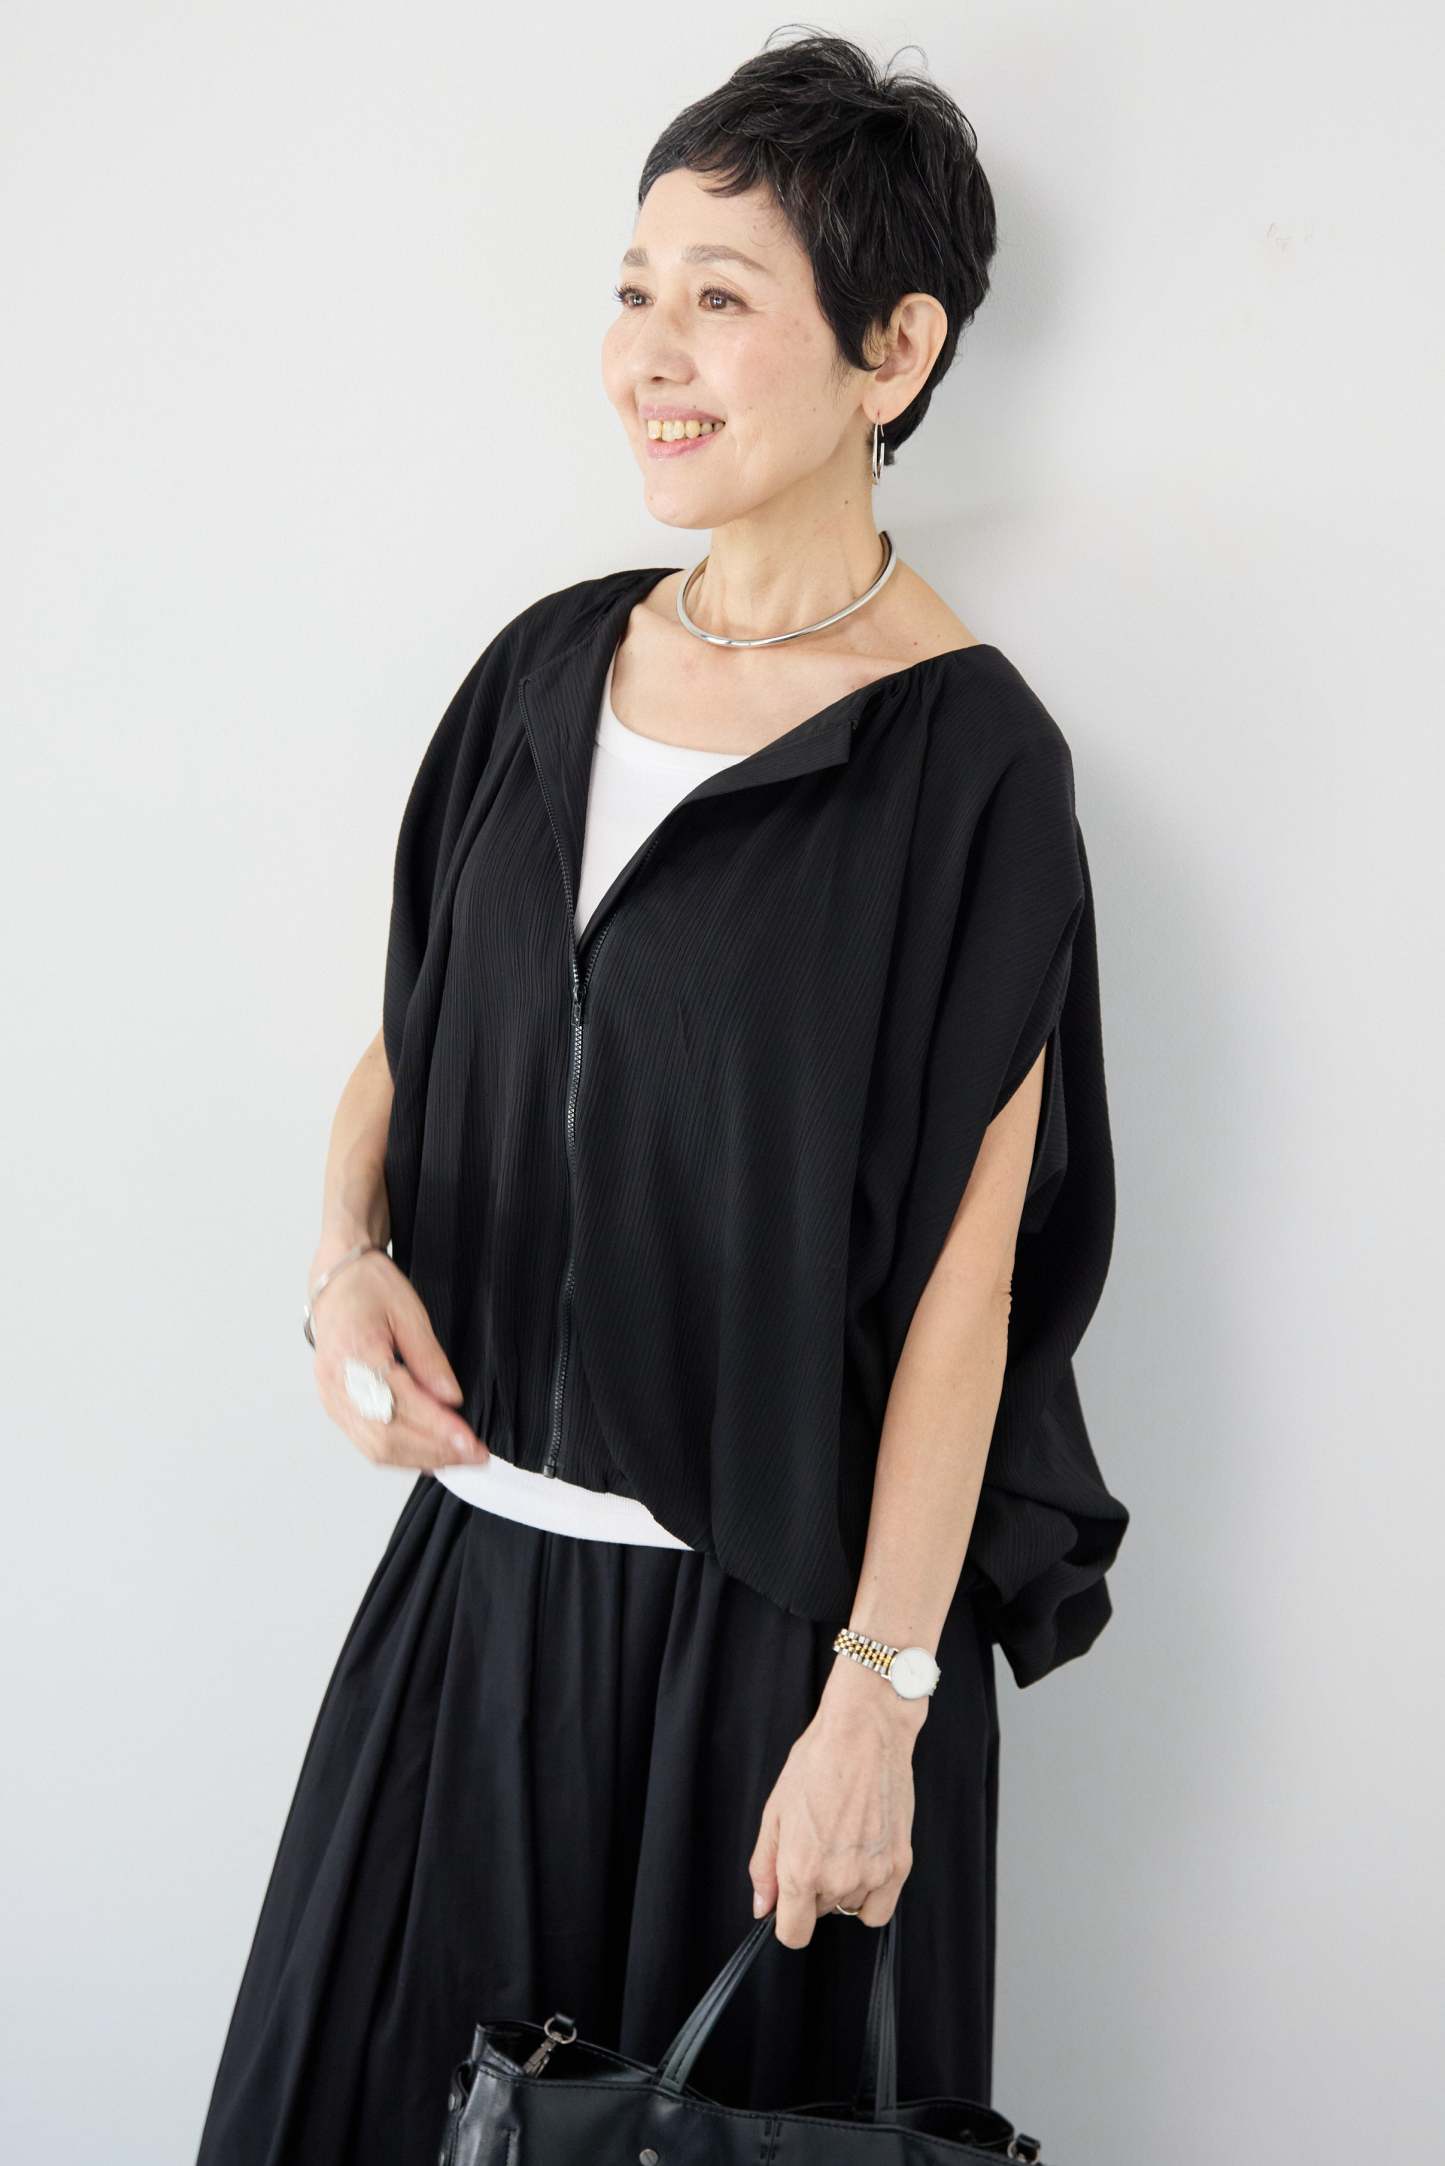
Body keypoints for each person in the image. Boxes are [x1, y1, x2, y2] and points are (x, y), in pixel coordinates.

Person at [194, 30, 1129, 2164]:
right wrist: (341, 1260)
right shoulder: (545, 668)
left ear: (895, 350)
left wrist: (880, 1703)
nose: (649, 353)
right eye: (633, 288)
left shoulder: (971, 769)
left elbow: (972, 1292)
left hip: (764, 1664)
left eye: (720, 295)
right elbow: (424, 1031)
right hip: (468, 1612)